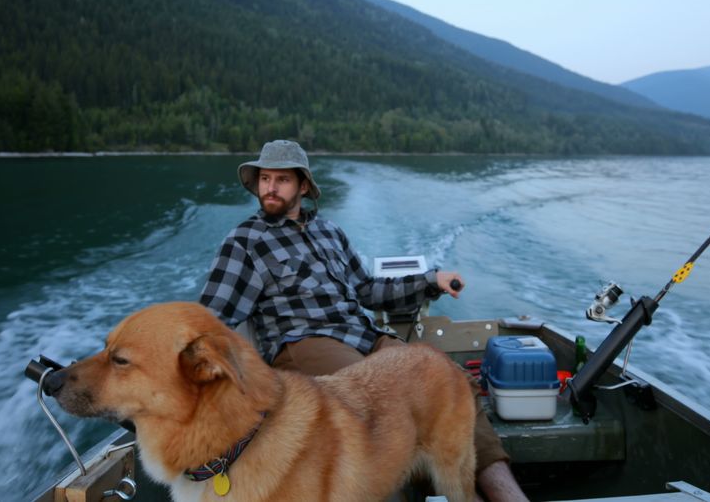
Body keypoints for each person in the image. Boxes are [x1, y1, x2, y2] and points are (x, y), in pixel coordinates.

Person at [199, 140, 528, 502]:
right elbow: (211, 316)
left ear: (303, 186)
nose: (270, 188)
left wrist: (429, 281)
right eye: (264, 179)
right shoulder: (246, 241)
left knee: (455, 384)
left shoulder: (329, 232)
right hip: (305, 343)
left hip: (363, 335)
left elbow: (367, 290)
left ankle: (510, 497)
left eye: (281, 180)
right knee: (378, 404)